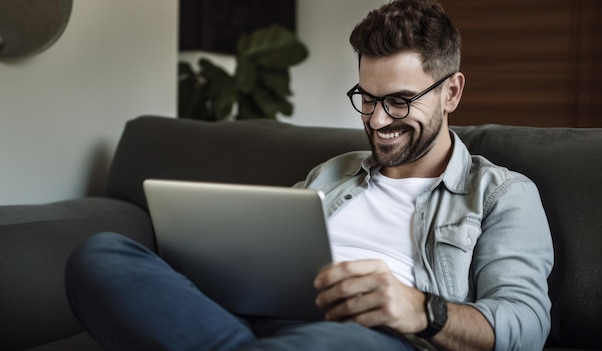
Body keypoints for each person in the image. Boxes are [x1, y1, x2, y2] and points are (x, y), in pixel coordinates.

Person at [65, 0, 554, 350]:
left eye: (400, 101)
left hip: (371, 337)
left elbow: (526, 324)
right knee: (100, 255)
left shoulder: (501, 195)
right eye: (366, 98)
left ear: (451, 93)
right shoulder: (332, 172)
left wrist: (421, 310)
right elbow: (262, 254)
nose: (378, 121)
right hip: (257, 319)